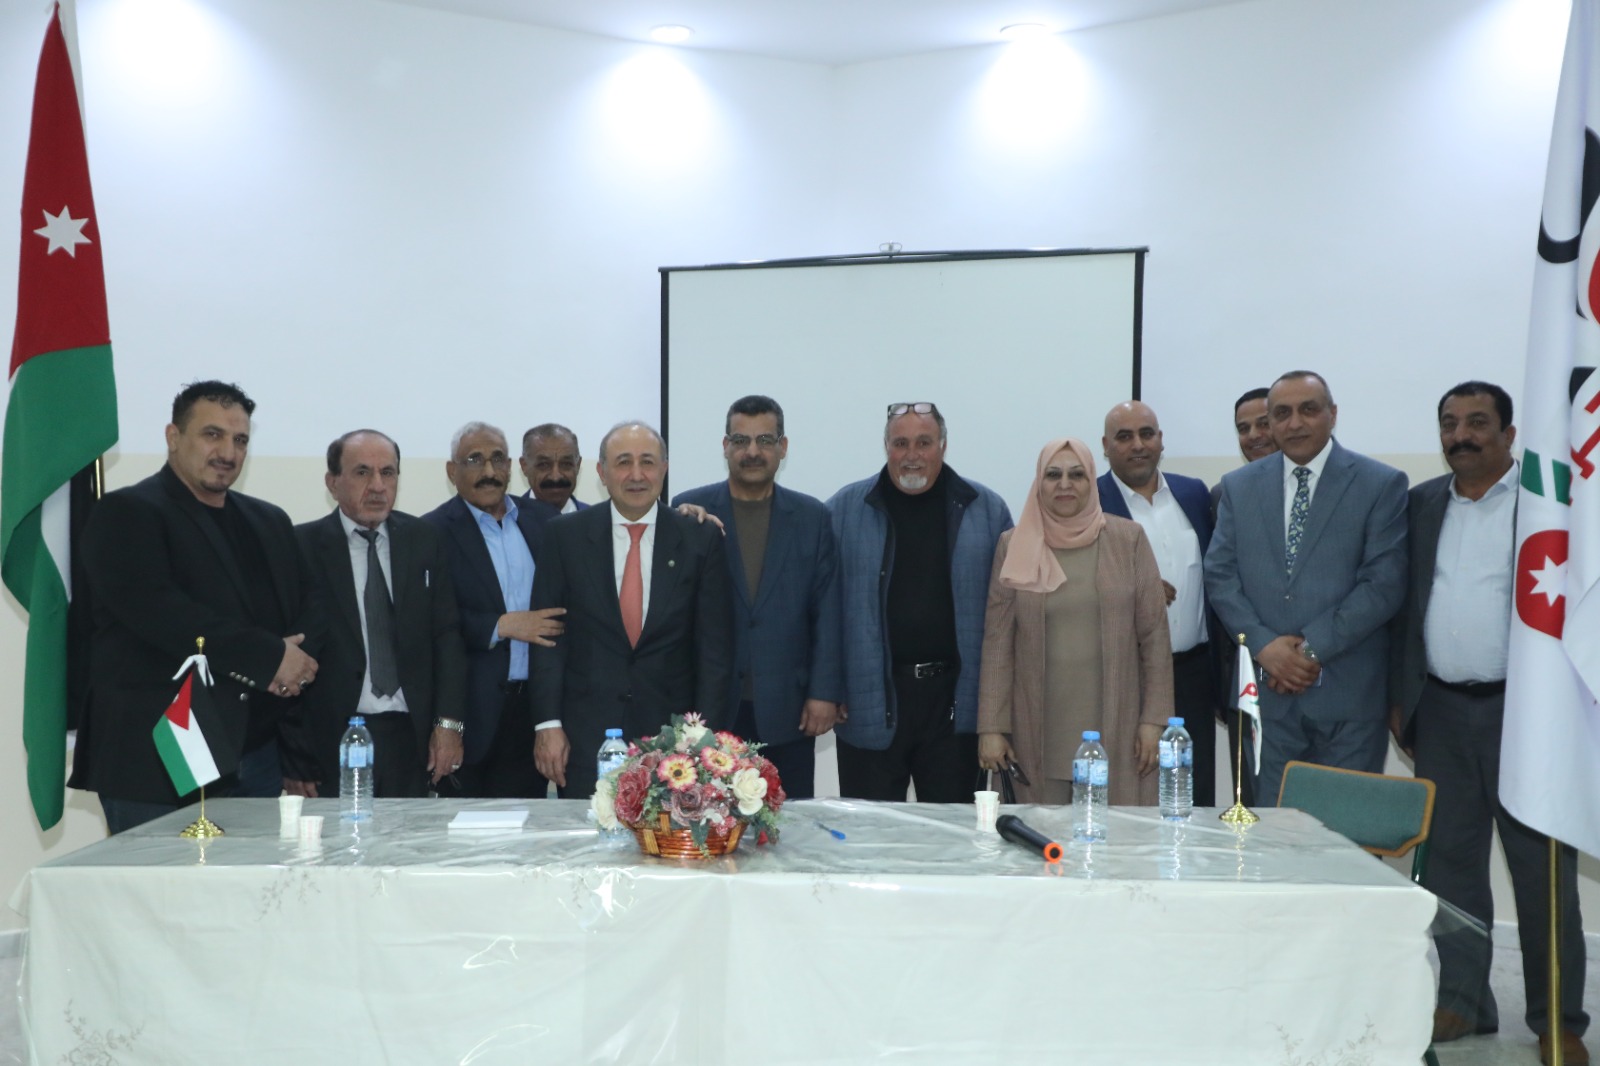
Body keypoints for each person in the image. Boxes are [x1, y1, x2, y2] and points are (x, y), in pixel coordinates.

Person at [1387, 382, 1588, 1063]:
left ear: (1509, 434)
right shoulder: (1422, 504)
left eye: (1477, 422)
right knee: (1449, 869)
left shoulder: (1548, 505)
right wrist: (1399, 698)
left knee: (1542, 873)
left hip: (1526, 717)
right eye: (1449, 423)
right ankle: (1465, 1000)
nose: (1461, 435)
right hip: (1441, 711)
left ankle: (1557, 1019)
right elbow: (1406, 607)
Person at [72, 381, 320, 833]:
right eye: (212, 435)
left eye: (240, 440)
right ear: (173, 437)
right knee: (160, 880)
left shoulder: (269, 521)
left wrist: (291, 666)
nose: (228, 452)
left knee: (254, 880)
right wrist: (269, 657)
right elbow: (164, 616)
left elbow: (298, 615)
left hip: (256, 756)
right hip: (159, 759)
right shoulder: (125, 513)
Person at [1203, 370, 1407, 805]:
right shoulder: (1239, 487)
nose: (1294, 423)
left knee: (1345, 833)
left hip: (1348, 697)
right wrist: (1264, 647)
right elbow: (1220, 575)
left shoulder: (1380, 483)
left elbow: (1382, 585)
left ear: (1333, 414)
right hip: (1266, 697)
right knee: (1274, 834)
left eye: (1308, 410)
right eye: (1282, 414)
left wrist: (1309, 650)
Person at [530, 421, 732, 799]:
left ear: (664, 469)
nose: (637, 475)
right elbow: (548, 639)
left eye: (648, 462)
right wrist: (548, 724)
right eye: (623, 462)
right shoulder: (564, 536)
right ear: (601, 472)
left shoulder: (699, 538)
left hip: (675, 745)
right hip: (585, 738)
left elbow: (715, 652)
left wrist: (705, 738)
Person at [827, 402, 1012, 802]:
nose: (911, 454)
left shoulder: (987, 510)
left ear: (943, 446)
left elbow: (1009, 617)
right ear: (886, 447)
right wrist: (829, 686)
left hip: (955, 708)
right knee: (872, 832)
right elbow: (820, 608)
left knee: (950, 834)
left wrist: (998, 710)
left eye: (924, 443)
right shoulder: (843, 510)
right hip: (868, 702)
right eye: (901, 443)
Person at [978, 438, 1172, 803]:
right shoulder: (1013, 545)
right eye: (1053, 475)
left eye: (1077, 475)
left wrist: (1154, 720)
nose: (1064, 484)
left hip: (1118, 722)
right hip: (1037, 727)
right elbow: (998, 642)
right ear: (1039, 482)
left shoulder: (1128, 539)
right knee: (1041, 834)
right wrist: (991, 728)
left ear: (1091, 480)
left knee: (1117, 833)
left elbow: (1155, 638)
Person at [671, 395, 843, 798]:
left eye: (765, 440)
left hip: (788, 709)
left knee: (789, 821)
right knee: (708, 821)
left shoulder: (813, 517)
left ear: (783, 447)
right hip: (710, 711)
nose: (752, 451)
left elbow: (827, 611)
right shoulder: (689, 512)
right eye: (740, 440)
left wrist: (824, 693)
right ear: (725, 446)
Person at [284, 430, 467, 799]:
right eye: (362, 472)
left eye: (388, 472)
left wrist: (449, 725)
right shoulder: (300, 548)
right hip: (330, 741)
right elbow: (289, 655)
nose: (378, 486)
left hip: (411, 737)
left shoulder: (423, 540)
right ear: (332, 483)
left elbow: (447, 636)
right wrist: (294, 756)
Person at [422, 422, 565, 798]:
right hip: (469, 715)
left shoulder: (548, 522)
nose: (489, 471)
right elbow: (429, 621)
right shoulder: (430, 533)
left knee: (527, 825)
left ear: (512, 466)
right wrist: (500, 625)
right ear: (452, 471)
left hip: (535, 713)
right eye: (474, 460)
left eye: (497, 459)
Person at [1097, 401, 1216, 806]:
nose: (1138, 445)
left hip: (1194, 673)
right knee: (1134, 793)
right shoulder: (1089, 501)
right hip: (1128, 676)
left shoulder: (1193, 493)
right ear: (1105, 446)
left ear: (1161, 440)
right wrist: (1135, 586)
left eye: (1146, 434)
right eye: (1124, 436)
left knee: (1195, 795)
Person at [1211, 385, 1277, 807]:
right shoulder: (1223, 495)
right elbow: (1220, 585)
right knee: (1253, 804)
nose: (1253, 435)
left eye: (1263, 423)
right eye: (1243, 428)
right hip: (1246, 679)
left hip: (1320, 678)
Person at [519, 423, 588, 523]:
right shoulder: (508, 520)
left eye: (566, 464)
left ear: (577, 465)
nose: (556, 477)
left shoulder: (599, 522)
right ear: (524, 466)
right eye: (544, 465)